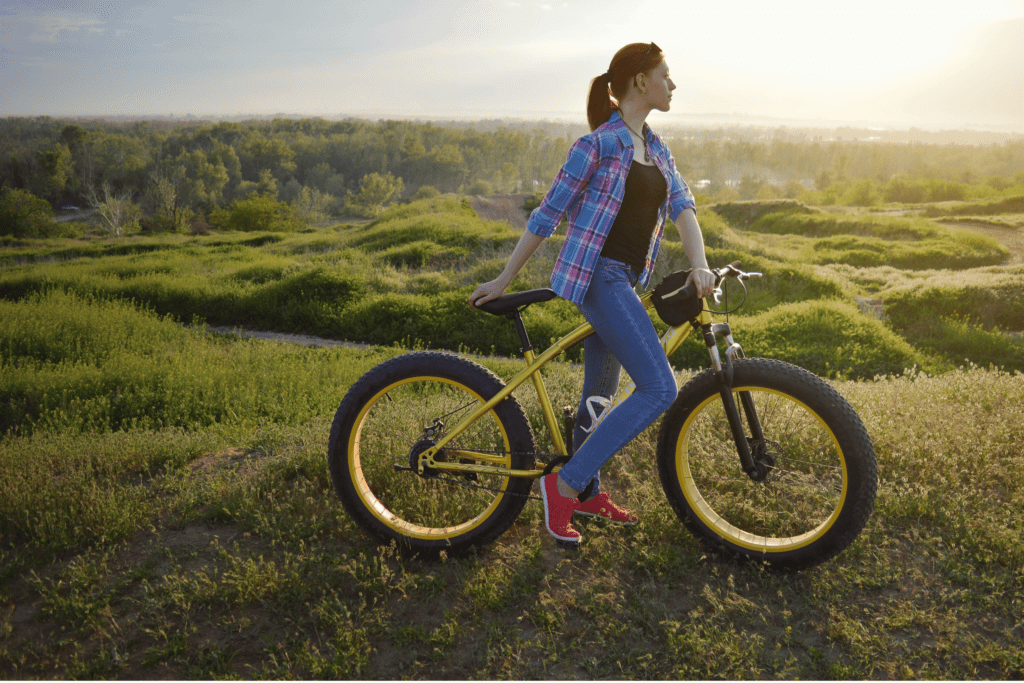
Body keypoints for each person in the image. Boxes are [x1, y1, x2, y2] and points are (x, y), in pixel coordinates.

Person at [469, 42, 715, 546]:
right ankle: (564, 486)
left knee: (597, 399)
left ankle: (585, 495)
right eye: (666, 75)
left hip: (626, 280)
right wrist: (503, 280)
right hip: (598, 277)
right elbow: (546, 215)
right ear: (640, 82)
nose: (674, 84)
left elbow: (684, 208)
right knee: (659, 389)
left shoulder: (656, 146)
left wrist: (700, 265)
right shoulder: (597, 146)